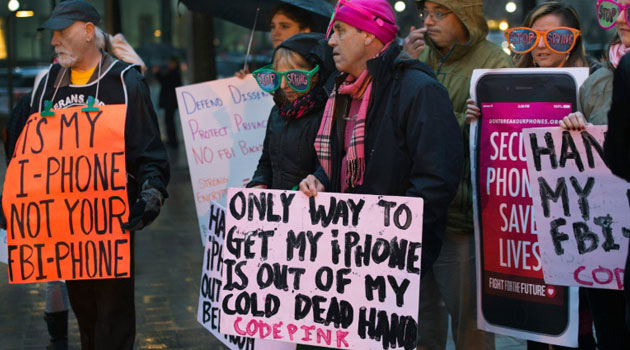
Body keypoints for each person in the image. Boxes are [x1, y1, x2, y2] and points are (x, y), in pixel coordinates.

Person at [4, 1, 170, 349]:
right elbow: (26, 154)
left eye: (63, 32)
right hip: (65, 227)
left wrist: (151, 194)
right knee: (85, 314)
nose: (55, 41)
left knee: (114, 315)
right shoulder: (46, 84)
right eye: (53, 34)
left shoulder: (125, 82)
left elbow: (149, 151)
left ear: (89, 31)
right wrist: (13, 203)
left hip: (111, 221)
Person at [299, 0, 463, 328]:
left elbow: (435, 179)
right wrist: (318, 178)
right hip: (346, 258)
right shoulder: (340, 90)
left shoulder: (418, 89)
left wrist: (401, 251)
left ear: (369, 35)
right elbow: (340, 161)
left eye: (341, 31)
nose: (330, 40)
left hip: (390, 263)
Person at [403, 0, 512, 348]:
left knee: (470, 327)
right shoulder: (417, 56)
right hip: (416, 215)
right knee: (418, 324)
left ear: (464, 14)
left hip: (462, 218)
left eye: (439, 12)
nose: (429, 20)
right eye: (426, 13)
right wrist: (402, 62)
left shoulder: (495, 62)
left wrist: (479, 124)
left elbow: (509, 140)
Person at [559, 1, 630, 348]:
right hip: (605, 240)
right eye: (612, 10)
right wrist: (576, 126)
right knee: (611, 332)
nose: (621, 19)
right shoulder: (596, 80)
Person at [248, 32, 334, 191]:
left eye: (294, 77)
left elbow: (330, 166)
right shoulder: (277, 112)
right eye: (276, 76)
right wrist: (257, 183)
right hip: (277, 208)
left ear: (315, 75)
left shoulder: (327, 113)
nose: (282, 85)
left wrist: (317, 181)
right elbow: (266, 162)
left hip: (309, 207)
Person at [236, 4, 315, 78]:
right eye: (272, 26)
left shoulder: (315, 69)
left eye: (284, 26)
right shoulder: (269, 68)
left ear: (304, 31)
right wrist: (249, 84)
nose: (275, 33)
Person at [153, 56, 183, 149]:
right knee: (169, 121)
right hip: (170, 102)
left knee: (169, 121)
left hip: (170, 102)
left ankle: (172, 141)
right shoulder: (174, 73)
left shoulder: (174, 74)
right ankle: (171, 140)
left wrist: (157, 73)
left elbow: (165, 82)